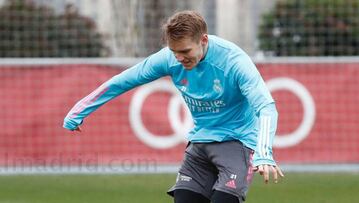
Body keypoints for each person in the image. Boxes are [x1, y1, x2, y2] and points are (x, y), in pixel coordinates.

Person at [63, 10, 284, 203]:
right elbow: (122, 81)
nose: (179, 58)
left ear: (203, 40)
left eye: (185, 51)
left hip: (237, 144)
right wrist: (79, 110)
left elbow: (266, 107)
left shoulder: (234, 62)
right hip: (200, 144)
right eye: (174, 51)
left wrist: (265, 153)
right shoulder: (169, 58)